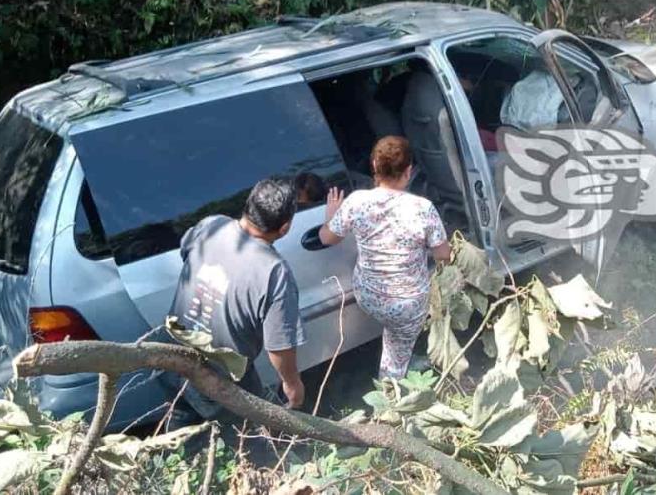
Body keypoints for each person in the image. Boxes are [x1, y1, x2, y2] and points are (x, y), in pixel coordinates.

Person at [167, 177, 306, 415]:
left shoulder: (212, 225)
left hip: (171, 352)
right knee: (253, 441)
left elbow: (186, 253)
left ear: (248, 206)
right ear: (284, 228)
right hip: (221, 378)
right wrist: (292, 384)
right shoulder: (274, 271)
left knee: (183, 429)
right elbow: (279, 346)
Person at [319, 136, 452, 379]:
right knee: (398, 348)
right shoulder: (423, 208)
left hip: (367, 295)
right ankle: (391, 392)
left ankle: (399, 354)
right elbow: (443, 255)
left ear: (374, 166)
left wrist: (330, 216)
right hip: (406, 304)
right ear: (409, 171)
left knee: (394, 332)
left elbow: (327, 238)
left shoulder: (356, 201)